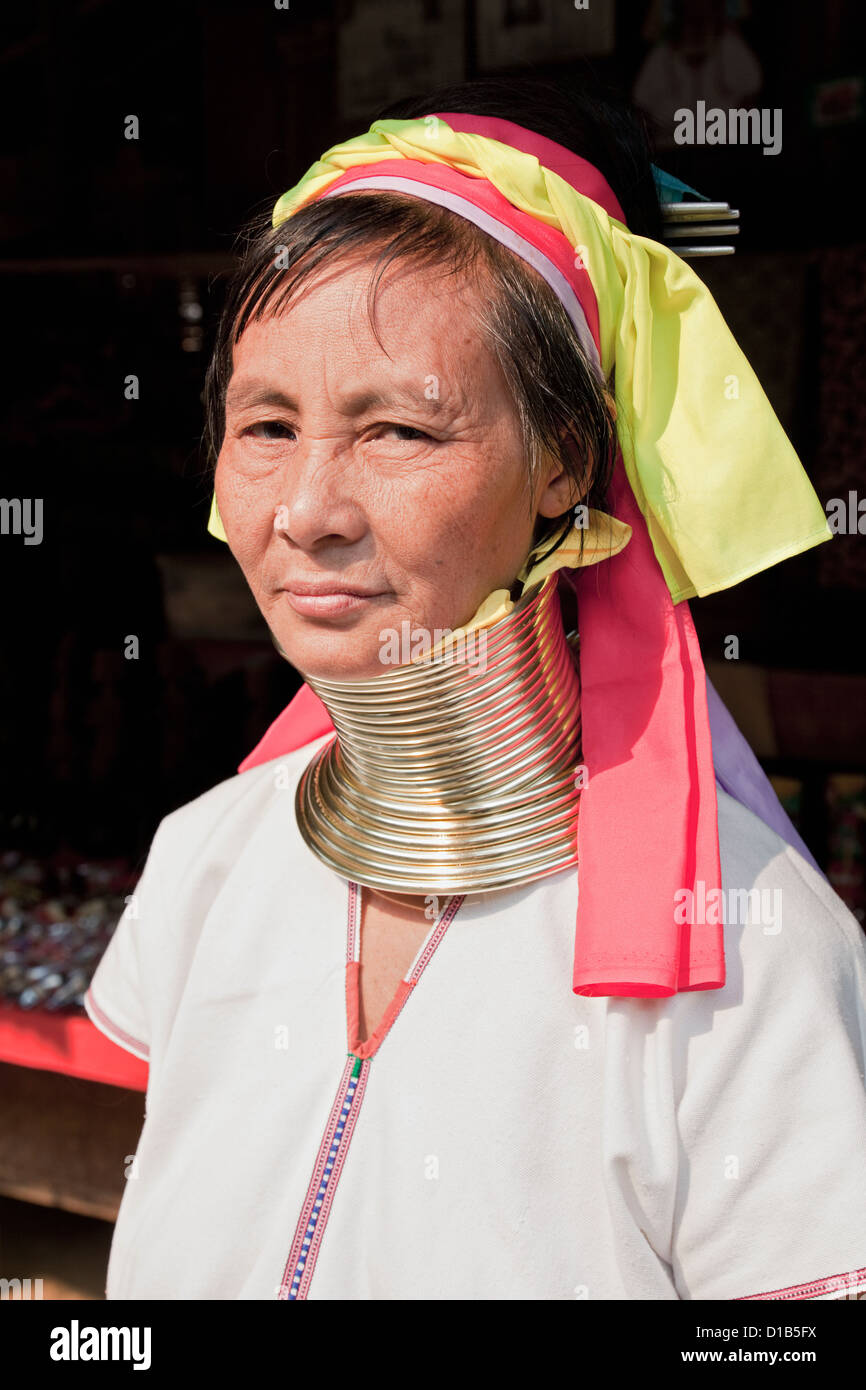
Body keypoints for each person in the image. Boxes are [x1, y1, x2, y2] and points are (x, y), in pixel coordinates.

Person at [85, 76, 866, 1301]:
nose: (304, 514)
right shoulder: (203, 866)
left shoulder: (751, 957)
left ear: (564, 461)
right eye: (266, 426)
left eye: (398, 431)